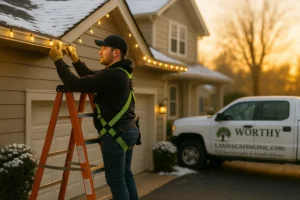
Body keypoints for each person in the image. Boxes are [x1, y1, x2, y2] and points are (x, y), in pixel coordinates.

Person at [49, 34, 139, 200]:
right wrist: (76, 60)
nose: (100, 52)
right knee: (125, 175)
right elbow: (90, 76)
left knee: (116, 181)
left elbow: (75, 84)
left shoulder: (112, 75)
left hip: (116, 135)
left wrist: (58, 60)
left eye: (104, 48)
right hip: (128, 131)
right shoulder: (121, 73)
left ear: (116, 52)